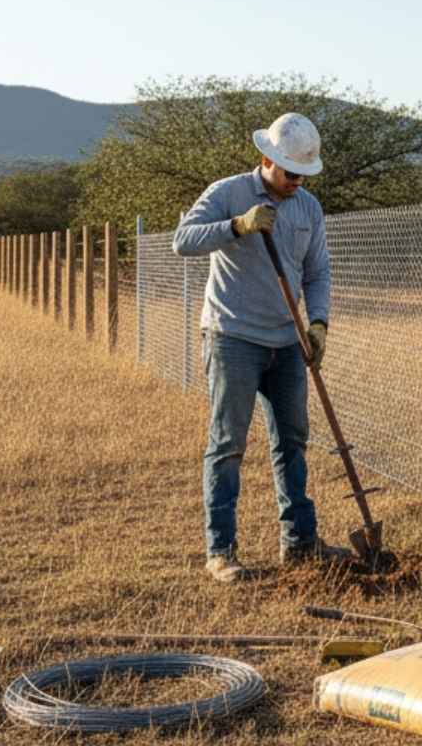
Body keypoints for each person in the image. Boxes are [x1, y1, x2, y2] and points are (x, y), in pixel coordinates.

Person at [173, 112, 347, 583]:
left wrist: (318, 324)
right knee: (228, 444)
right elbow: (182, 241)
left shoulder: (308, 208)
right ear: (267, 159)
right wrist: (236, 226)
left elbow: (318, 272)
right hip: (232, 337)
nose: (296, 182)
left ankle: (300, 543)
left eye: (304, 175)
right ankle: (221, 552)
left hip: (288, 341)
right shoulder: (228, 193)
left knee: (292, 441)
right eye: (290, 172)